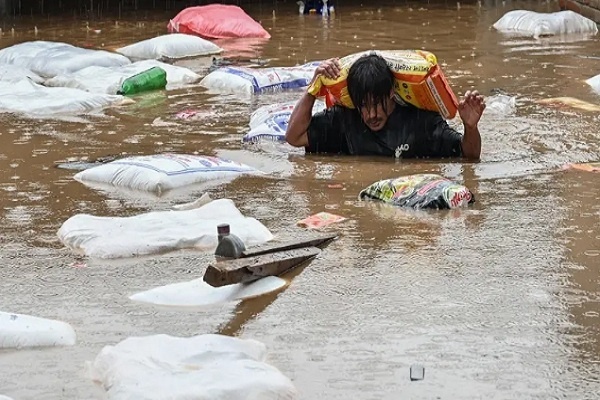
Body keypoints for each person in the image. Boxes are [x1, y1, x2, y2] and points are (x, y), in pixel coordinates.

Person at [285, 53, 486, 160]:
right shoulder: (344, 119)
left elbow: (469, 155)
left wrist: (470, 128)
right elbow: (294, 137)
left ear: (391, 93)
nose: (372, 114)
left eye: (377, 104)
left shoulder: (421, 122)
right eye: (363, 106)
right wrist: (313, 88)